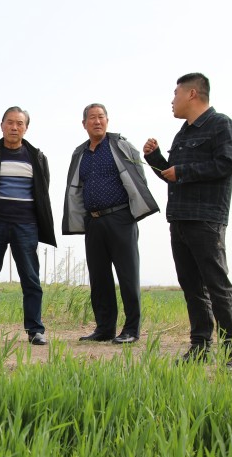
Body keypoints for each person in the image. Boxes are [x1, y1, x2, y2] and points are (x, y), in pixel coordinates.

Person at [143, 73, 232, 366]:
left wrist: (183, 172)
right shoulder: (183, 133)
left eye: (176, 94)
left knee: (216, 284)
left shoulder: (221, 125)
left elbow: (227, 164)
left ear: (192, 94)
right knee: (191, 286)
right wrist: (156, 159)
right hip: (180, 219)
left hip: (206, 219)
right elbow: (173, 175)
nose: (172, 100)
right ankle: (200, 347)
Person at [63, 104, 159, 345]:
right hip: (93, 221)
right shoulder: (80, 153)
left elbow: (138, 178)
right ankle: (104, 328)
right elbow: (77, 188)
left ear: (107, 120)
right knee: (99, 277)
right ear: (84, 124)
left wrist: (132, 211)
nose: (97, 122)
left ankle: (131, 329)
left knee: (128, 275)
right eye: (92, 118)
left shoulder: (121, 145)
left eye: (101, 117)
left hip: (121, 218)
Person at [0, 106, 56, 345]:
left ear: (26, 128)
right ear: (2, 125)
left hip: (26, 225)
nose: (14, 127)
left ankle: (35, 329)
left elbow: (42, 190)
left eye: (19, 123)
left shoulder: (37, 157)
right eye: (10, 122)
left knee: (30, 279)